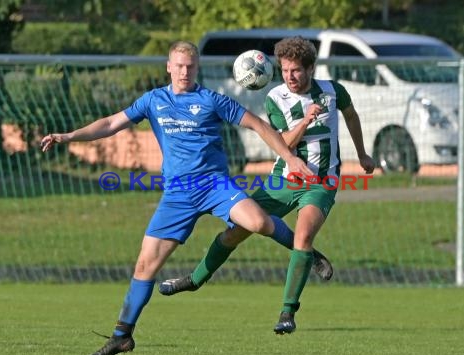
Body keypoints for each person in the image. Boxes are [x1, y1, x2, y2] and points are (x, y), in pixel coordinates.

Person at [40, 41, 316, 355]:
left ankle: (310, 254)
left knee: (258, 222)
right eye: (179, 66)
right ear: (169, 67)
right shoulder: (153, 100)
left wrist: (289, 158)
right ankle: (121, 336)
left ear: (196, 68)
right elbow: (111, 124)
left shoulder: (211, 100)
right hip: (177, 195)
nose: (185, 72)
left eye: (190, 66)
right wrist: (69, 136)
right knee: (145, 265)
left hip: (214, 185)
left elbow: (258, 125)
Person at [158, 36, 375, 334]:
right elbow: (282, 143)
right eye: (285, 71)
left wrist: (362, 153)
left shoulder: (333, 91)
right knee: (236, 232)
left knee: (303, 238)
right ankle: (195, 280)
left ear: (310, 68)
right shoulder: (276, 97)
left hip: (321, 182)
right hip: (281, 181)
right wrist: (305, 121)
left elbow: (351, 115)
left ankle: (288, 313)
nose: (290, 77)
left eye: (296, 70)